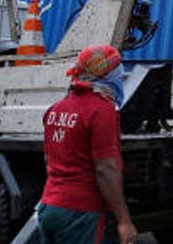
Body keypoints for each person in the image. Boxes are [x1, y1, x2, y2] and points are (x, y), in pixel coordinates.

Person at [37, 45, 137, 244]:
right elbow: (106, 168)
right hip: (80, 213)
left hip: (49, 206)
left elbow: (49, 158)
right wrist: (124, 221)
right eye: (118, 71)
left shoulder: (55, 109)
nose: (121, 76)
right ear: (106, 74)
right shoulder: (102, 111)